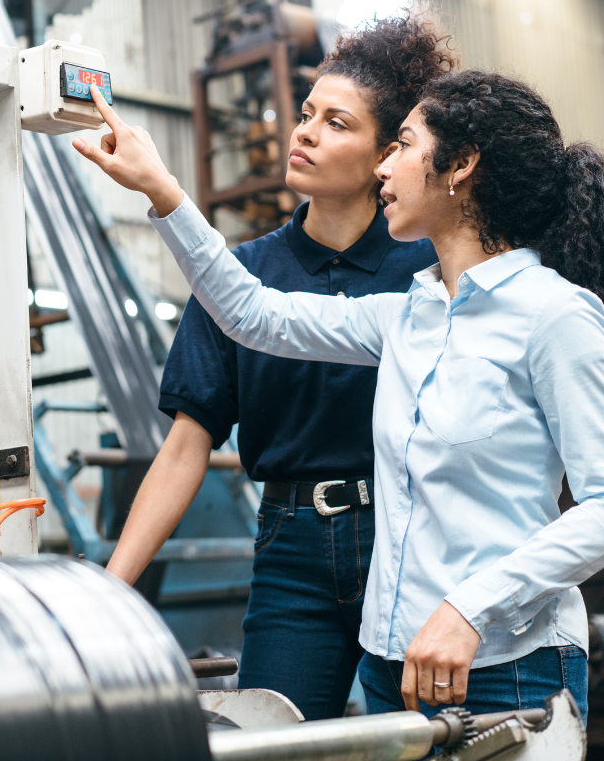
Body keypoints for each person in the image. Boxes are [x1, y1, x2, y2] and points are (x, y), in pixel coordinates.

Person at [72, 67, 604, 726]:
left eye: (403, 145)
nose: (388, 166)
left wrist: (473, 607)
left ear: (460, 166)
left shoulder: (554, 317)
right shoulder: (410, 315)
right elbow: (251, 313)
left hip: (506, 661)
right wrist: (161, 189)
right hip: (398, 662)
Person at [101, 12, 453, 720]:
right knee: (270, 737)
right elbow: (183, 449)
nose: (304, 133)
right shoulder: (237, 277)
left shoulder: (429, 269)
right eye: (305, 114)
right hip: (293, 550)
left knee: (427, 738)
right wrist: (110, 589)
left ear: (388, 153)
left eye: (336, 123)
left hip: (415, 537)